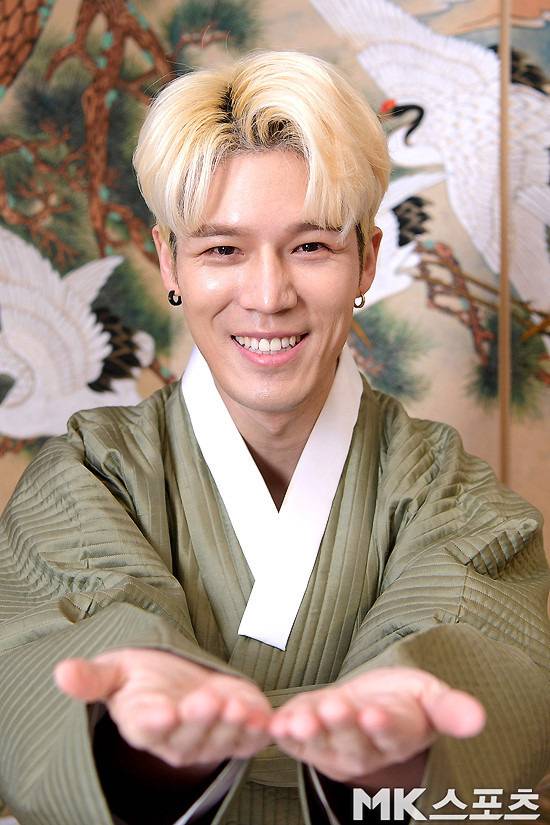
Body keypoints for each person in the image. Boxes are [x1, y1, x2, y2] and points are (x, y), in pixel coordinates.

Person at [0, 50, 549, 825]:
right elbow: (31, 665)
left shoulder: (450, 495)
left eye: (311, 245)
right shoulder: (89, 475)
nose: (267, 295)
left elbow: (484, 644)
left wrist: (402, 747)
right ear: (170, 260)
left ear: (366, 258)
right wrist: (132, 730)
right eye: (222, 249)